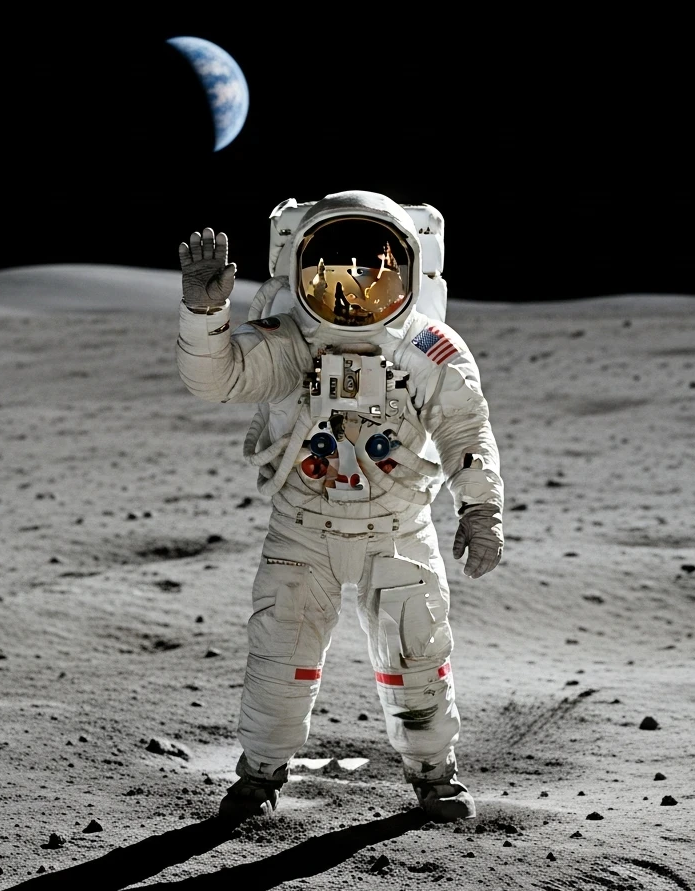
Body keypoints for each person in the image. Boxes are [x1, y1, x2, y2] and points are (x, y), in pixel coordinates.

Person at [175, 190, 504, 823]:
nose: (353, 285)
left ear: (407, 269)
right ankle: (259, 776)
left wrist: (481, 512)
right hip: (304, 527)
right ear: (299, 267)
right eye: (328, 266)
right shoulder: (290, 340)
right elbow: (215, 377)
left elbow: (467, 434)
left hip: (397, 525)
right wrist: (204, 311)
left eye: (375, 267)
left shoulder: (430, 350)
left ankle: (435, 774)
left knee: (417, 653)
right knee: (281, 652)